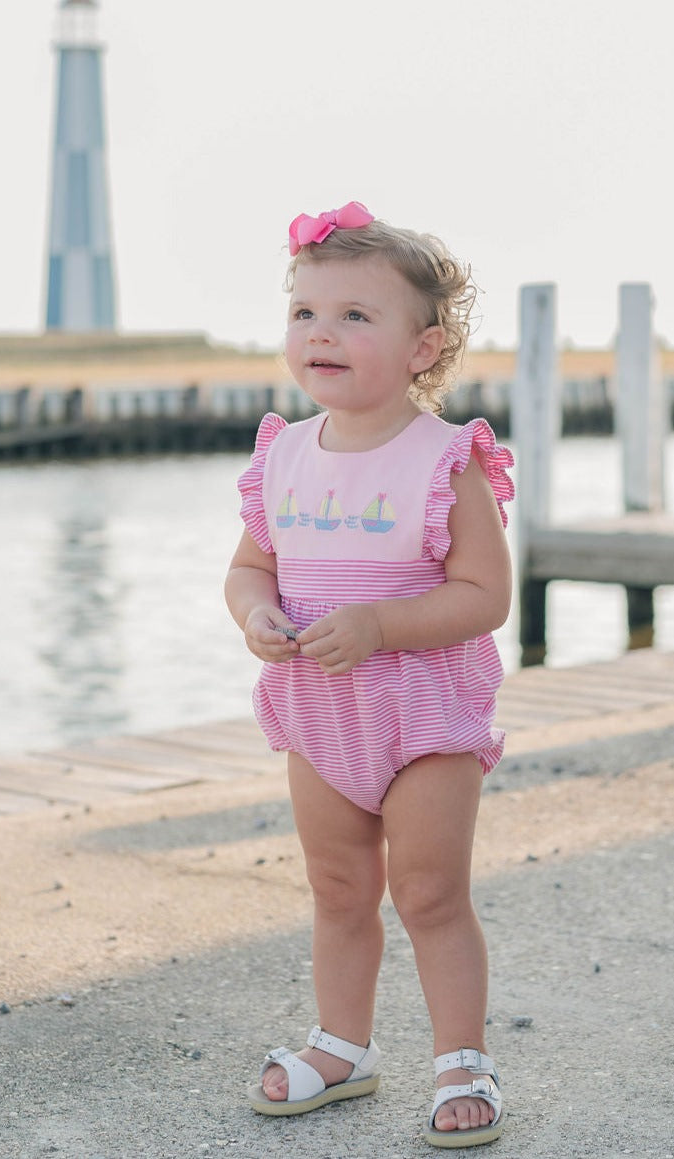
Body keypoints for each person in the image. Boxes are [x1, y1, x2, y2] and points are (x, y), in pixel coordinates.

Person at [224, 201, 513, 1148]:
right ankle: (343, 1044)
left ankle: (461, 1058)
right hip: (321, 710)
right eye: (305, 312)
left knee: (429, 893)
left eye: (355, 315)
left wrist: (382, 624)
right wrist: (256, 614)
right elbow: (250, 567)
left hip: (424, 713)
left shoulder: (444, 460)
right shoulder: (283, 456)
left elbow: (485, 594)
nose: (322, 332)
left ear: (422, 347)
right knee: (339, 886)